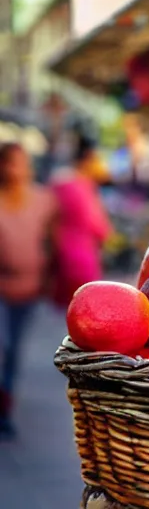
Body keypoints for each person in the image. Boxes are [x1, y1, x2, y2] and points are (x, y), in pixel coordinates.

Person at [0, 143, 57, 438]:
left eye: (21, 163)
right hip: (2, 289)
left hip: (30, 289)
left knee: (13, 352)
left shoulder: (43, 200)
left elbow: (53, 239)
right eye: (10, 163)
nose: (16, 169)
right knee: (3, 346)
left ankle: (5, 408)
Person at [50, 136, 112, 309]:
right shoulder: (81, 187)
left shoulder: (58, 183)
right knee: (83, 307)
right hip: (82, 257)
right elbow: (98, 226)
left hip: (61, 253)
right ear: (87, 161)